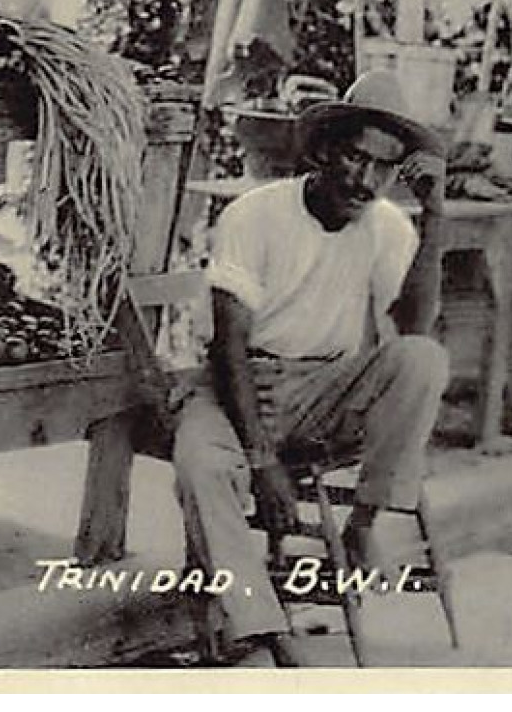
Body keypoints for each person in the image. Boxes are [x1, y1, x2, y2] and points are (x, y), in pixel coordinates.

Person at [175, 69, 450, 667]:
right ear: (324, 151)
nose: (365, 180)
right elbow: (228, 347)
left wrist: (434, 216)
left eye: (383, 167)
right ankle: (264, 627)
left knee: (423, 360)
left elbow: (415, 327)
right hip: (237, 384)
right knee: (201, 465)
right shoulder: (255, 214)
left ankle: (362, 526)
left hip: (325, 388)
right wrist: (262, 460)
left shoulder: (387, 225)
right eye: (355, 158)